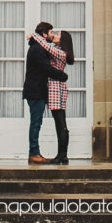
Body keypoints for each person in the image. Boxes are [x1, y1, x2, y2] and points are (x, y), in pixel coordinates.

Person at [22, 21, 67, 164]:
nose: (53, 35)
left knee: (37, 122)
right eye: (51, 33)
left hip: (38, 91)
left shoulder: (40, 47)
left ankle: (35, 153)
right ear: (44, 34)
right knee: (36, 123)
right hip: (35, 91)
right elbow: (46, 68)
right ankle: (34, 153)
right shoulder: (38, 49)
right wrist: (63, 76)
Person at [32, 27, 74, 164]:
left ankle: (63, 156)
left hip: (57, 89)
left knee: (61, 123)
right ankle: (62, 155)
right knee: (59, 123)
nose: (55, 35)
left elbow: (46, 46)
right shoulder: (59, 50)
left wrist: (34, 35)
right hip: (55, 88)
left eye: (58, 35)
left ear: (63, 40)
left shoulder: (61, 53)